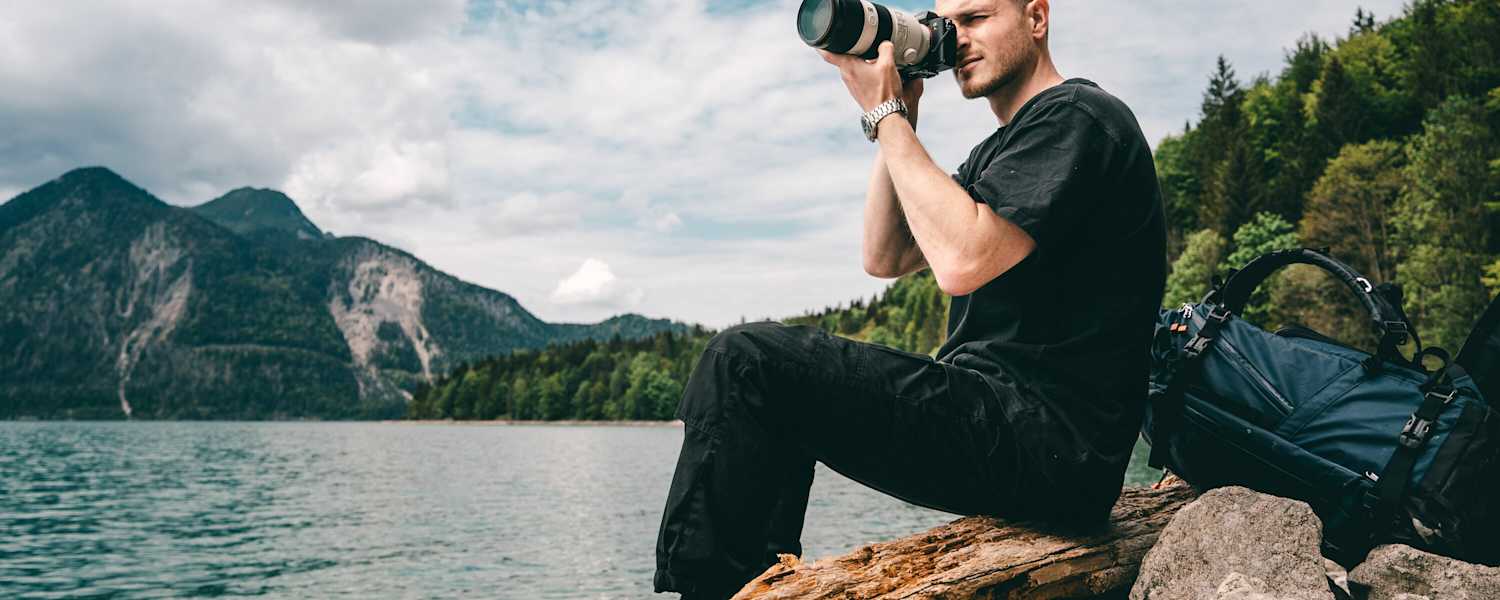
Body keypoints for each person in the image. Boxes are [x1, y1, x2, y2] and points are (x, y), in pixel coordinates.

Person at [653, 0, 1166, 597]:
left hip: (1050, 441)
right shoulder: (1001, 149)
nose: (957, 37)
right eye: (947, 23)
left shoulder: (1079, 115)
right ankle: (750, 583)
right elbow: (885, 255)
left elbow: (962, 260)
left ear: (1036, 18)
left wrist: (887, 114)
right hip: (1004, 424)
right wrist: (901, 119)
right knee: (775, 388)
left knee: (747, 361)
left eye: (976, 18)